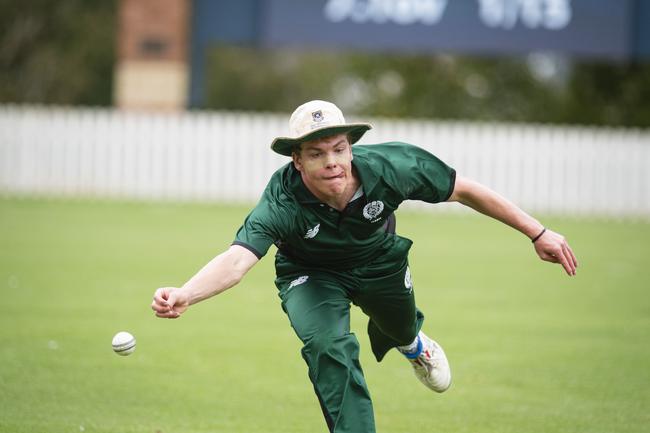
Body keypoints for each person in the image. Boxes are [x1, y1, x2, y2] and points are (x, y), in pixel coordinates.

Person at [151, 100, 578, 433]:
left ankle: (414, 345)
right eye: (317, 154)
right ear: (297, 161)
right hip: (310, 276)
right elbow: (238, 260)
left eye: (339, 149)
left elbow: (463, 190)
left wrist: (538, 233)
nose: (332, 162)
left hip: (378, 261)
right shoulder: (280, 202)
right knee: (328, 349)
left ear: (351, 147)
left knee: (400, 327)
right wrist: (187, 292)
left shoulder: (392, 167)